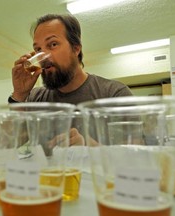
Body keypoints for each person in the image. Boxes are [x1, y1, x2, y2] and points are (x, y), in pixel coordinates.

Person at [8, 13, 133, 146]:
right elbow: (7, 143)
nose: (42, 57)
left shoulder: (114, 94)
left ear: (76, 48)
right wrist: (19, 95)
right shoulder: (35, 98)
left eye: (53, 44)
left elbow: (136, 157)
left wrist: (88, 147)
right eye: (38, 49)